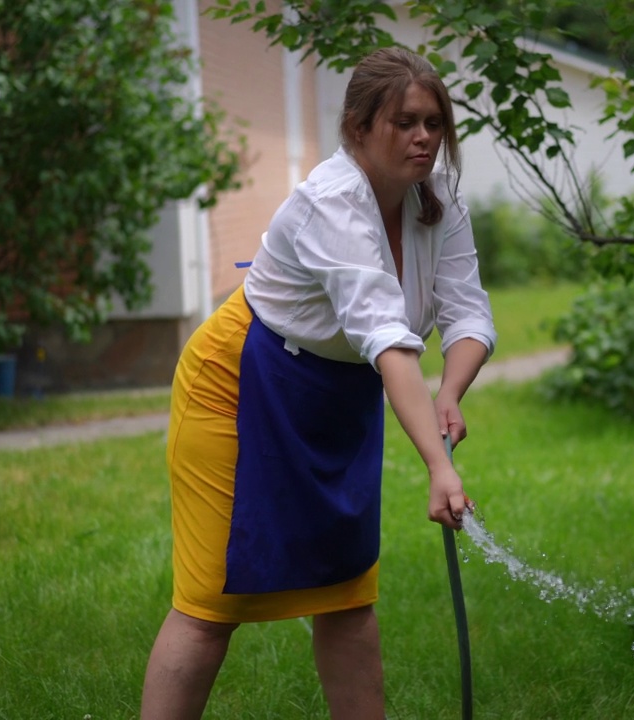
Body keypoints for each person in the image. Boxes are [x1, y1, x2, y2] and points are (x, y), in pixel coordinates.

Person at [139, 47, 495, 719]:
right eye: (405, 122)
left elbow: (469, 313)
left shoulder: (439, 205)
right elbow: (385, 332)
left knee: (349, 595)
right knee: (212, 605)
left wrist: (450, 391)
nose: (424, 137)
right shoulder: (332, 202)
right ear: (359, 128)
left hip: (339, 395)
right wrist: (435, 466)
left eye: (435, 123)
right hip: (240, 384)